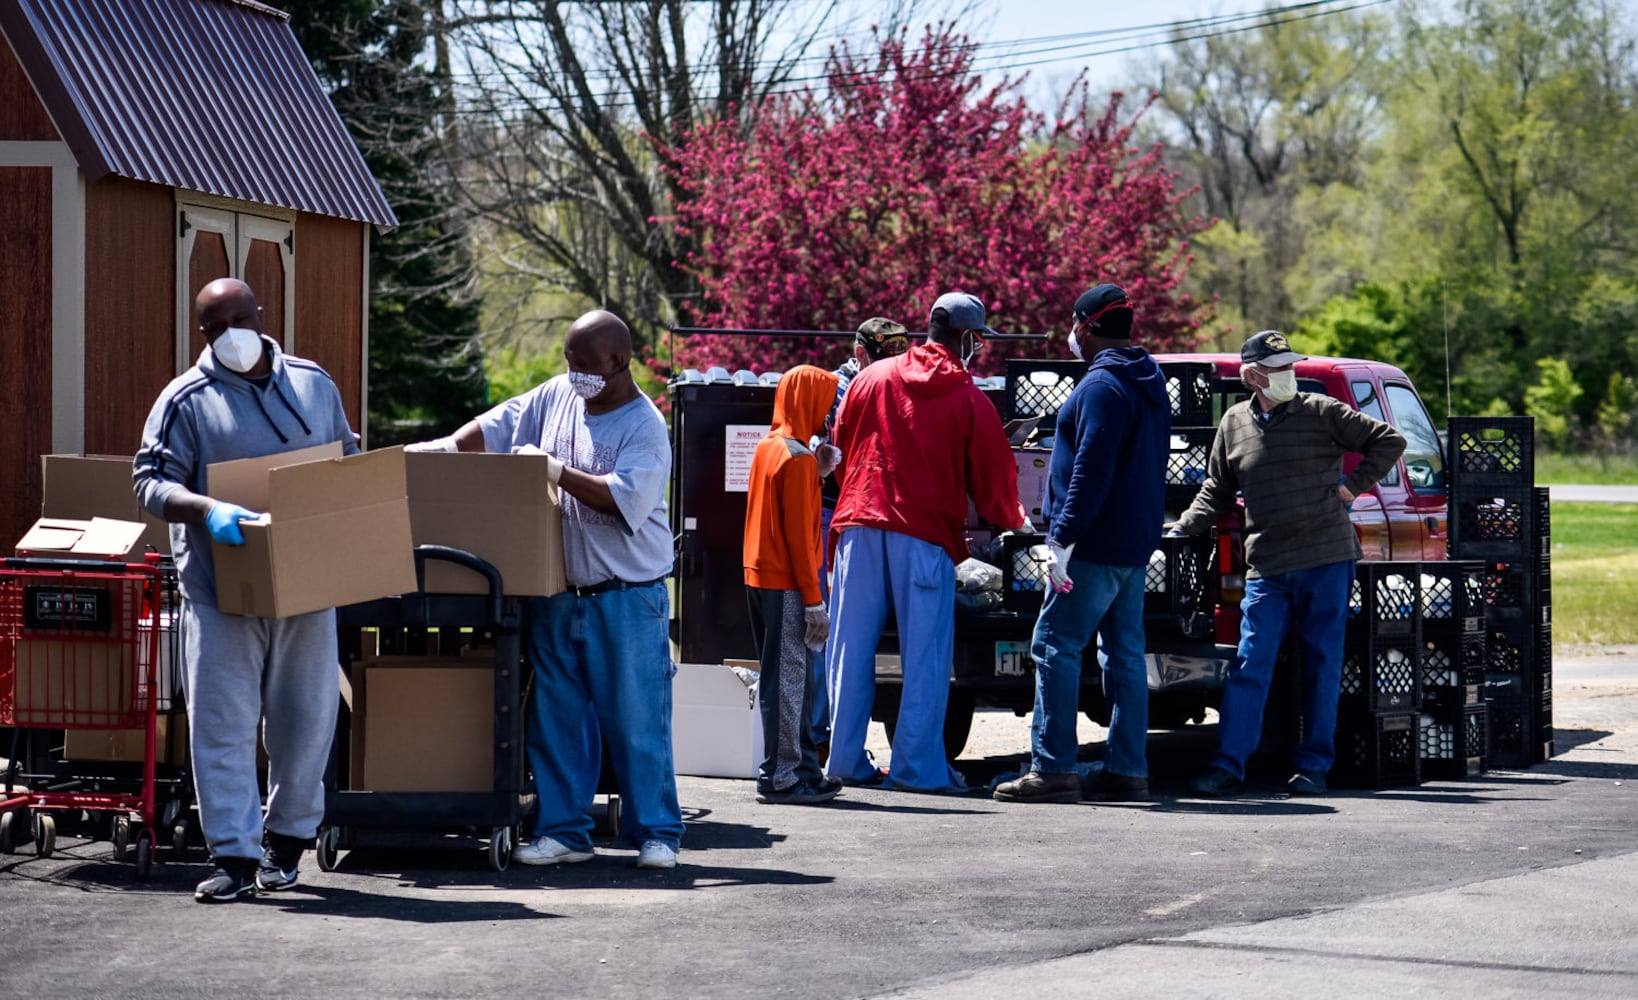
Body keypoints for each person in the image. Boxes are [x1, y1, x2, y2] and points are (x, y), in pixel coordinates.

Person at [408, 310, 683, 868]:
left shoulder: (645, 428)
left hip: (627, 597)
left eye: (585, 365)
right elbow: (496, 425)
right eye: (568, 360)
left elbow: (619, 499)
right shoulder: (559, 393)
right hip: (560, 593)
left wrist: (554, 471)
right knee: (557, 722)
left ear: (619, 362)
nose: (573, 372)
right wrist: (441, 453)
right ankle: (564, 831)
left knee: (637, 724)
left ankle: (657, 833)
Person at [134, 278, 360, 902]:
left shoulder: (314, 384)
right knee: (223, 723)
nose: (229, 333)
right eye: (214, 325)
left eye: (238, 318)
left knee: (306, 721)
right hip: (221, 587)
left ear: (261, 315)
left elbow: (349, 457)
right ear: (201, 331)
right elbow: (149, 480)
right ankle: (232, 855)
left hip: (307, 582)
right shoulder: (186, 400)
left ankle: (286, 845)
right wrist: (205, 508)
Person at [1174, 330, 1406, 797]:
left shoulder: (1321, 411)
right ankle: (1228, 764)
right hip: (1268, 567)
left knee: (1321, 663)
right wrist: (1182, 529)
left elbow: (1388, 441)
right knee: (1249, 665)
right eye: (1277, 369)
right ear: (1251, 376)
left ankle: (1313, 766)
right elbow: (1216, 490)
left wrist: (1348, 488)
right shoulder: (1234, 424)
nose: (1287, 375)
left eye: (1289, 366)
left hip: (1326, 559)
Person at [825, 292, 1028, 793]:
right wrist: (1017, 523)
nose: (977, 348)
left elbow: (842, 442)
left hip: (858, 522)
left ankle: (843, 761)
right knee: (925, 659)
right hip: (923, 535)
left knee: (847, 651)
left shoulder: (870, 378)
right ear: (964, 337)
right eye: (977, 339)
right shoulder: (967, 395)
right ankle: (917, 770)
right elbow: (993, 479)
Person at [993, 284, 1170, 804]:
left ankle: (1052, 768)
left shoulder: (1100, 388)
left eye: (1075, 324)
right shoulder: (1146, 381)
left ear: (1086, 325)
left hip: (1091, 544)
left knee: (1053, 646)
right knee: (1124, 655)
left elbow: (1089, 472)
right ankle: (1128, 768)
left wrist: (1062, 539)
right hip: (1133, 544)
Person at [809, 317, 911, 758]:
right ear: (861, 353)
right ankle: (821, 735)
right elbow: (810, 443)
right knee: (826, 627)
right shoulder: (835, 388)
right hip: (833, 511)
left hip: (884, 514)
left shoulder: (903, 381)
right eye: (882, 357)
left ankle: (841, 739)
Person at [744, 365, 845, 804]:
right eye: (824, 404)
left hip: (759, 575)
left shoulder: (771, 446)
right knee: (790, 680)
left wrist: (818, 472)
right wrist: (814, 601)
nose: (827, 414)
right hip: (788, 582)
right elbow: (802, 539)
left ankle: (800, 768)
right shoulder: (798, 457)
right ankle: (784, 776)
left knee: (784, 678)